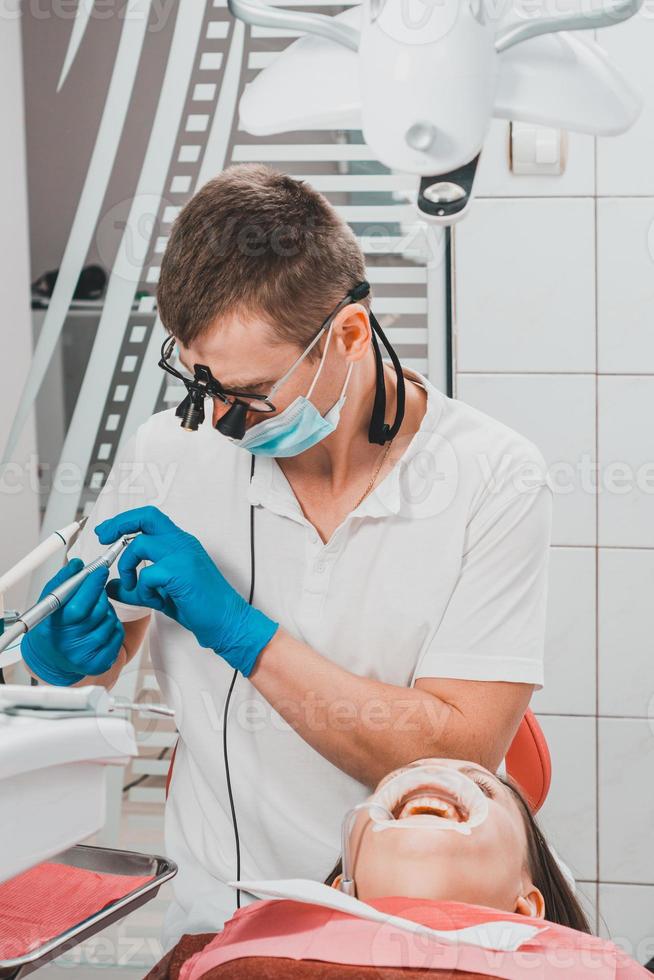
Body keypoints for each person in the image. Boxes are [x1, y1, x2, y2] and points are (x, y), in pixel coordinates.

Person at [21, 164, 552, 947]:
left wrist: (243, 632)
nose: (222, 422)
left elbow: (456, 753)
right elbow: (97, 665)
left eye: (253, 394)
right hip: (219, 924)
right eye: (201, 384)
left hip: (418, 931)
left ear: (347, 333)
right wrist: (64, 662)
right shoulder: (172, 452)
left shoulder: (492, 476)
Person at [146, 759, 651, 980]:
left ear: (528, 905)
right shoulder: (207, 953)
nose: (435, 775)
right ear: (347, 885)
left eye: (484, 786)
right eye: (399, 787)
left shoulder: (602, 972)